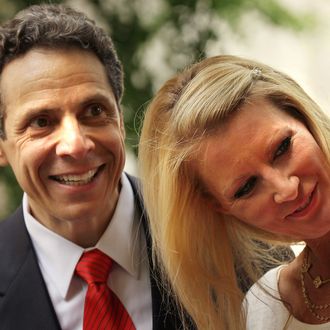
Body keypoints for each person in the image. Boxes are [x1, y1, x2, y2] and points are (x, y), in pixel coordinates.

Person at [0, 4, 187, 329]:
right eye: (41, 121)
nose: (76, 144)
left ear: (119, 115)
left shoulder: (222, 236)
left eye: (94, 110)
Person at [139, 54, 330, 329]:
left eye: (282, 148)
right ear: (219, 206)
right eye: (247, 187)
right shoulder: (265, 309)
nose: (286, 189)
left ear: (303, 118)